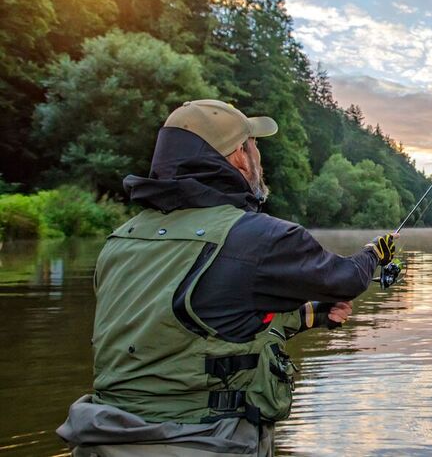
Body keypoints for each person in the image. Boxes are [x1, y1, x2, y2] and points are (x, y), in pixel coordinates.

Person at [57, 99, 397, 456]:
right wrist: (373, 253)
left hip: (102, 441)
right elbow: (346, 280)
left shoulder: (121, 240)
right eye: (254, 146)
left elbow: (193, 322)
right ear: (239, 157)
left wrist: (312, 315)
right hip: (204, 443)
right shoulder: (261, 237)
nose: (259, 158)